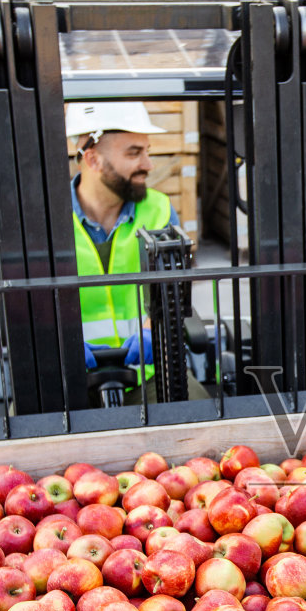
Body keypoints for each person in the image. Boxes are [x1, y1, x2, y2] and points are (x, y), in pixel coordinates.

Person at [66, 101, 206, 401]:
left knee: (200, 412)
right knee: (23, 425)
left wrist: (152, 331)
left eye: (147, 151)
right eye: (134, 153)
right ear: (93, 160)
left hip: (149, 374)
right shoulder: (46, 220)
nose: (148, 164)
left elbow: (171, 290)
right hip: (67, 376)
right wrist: (61, 344)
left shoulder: (158, 210)